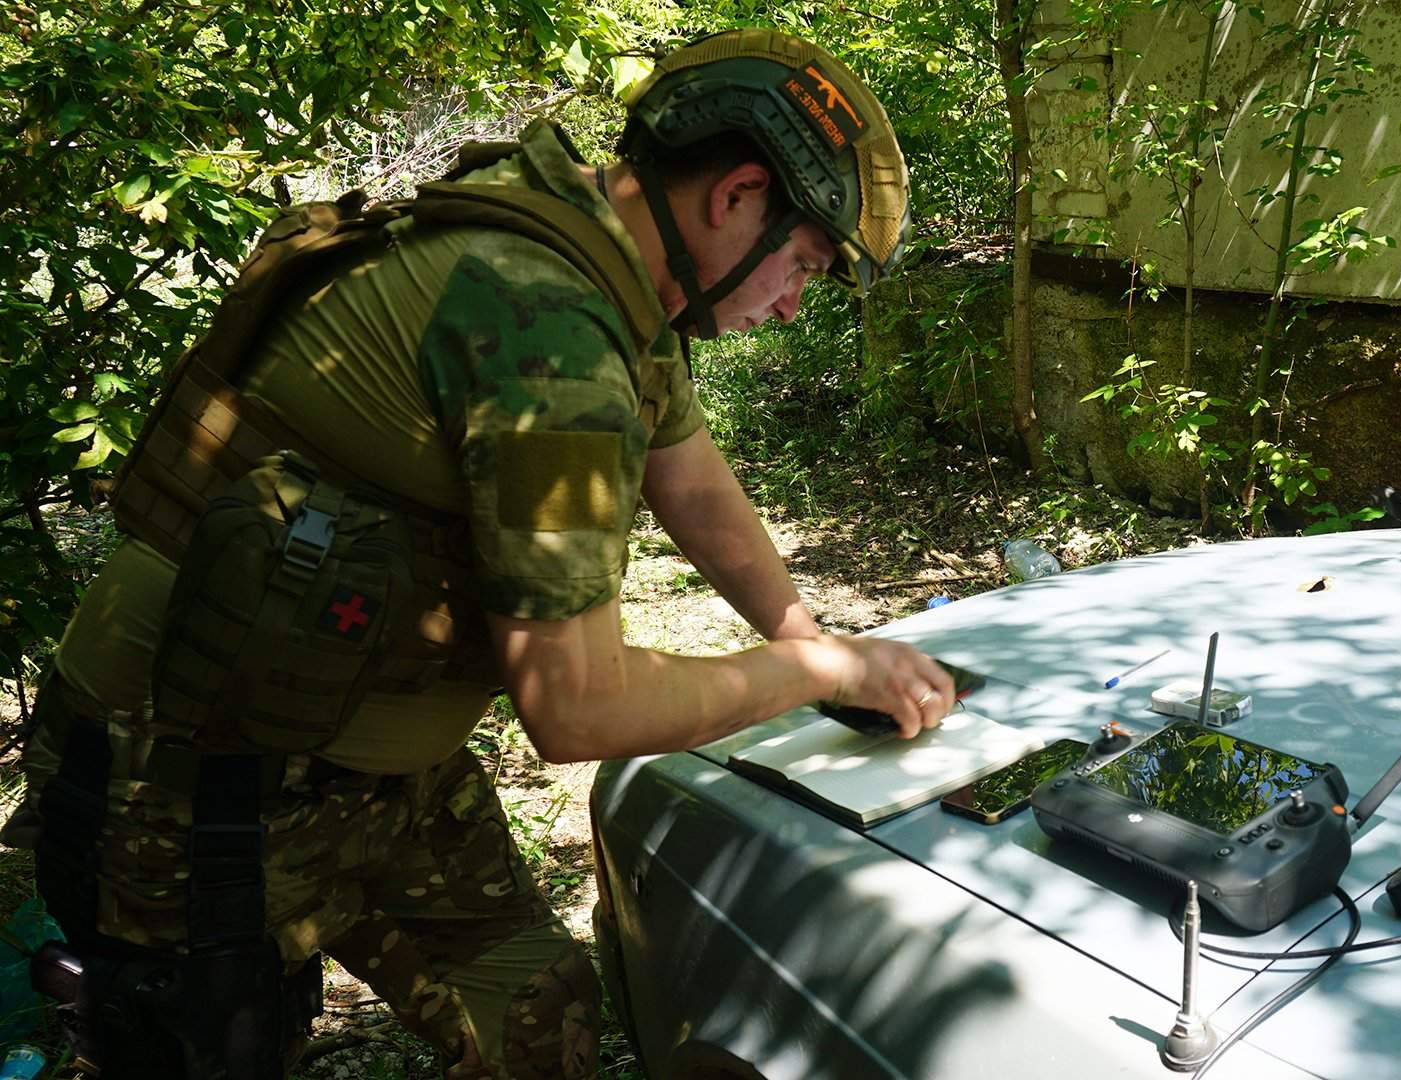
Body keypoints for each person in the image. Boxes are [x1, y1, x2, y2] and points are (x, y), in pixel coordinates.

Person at [1, 26, 950, 1080]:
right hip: (184, 781)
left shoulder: (596, 261)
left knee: (535, 1010)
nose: (793, 302)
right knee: (205, 1046)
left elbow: (684, 471)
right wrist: (816, 674)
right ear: (734, 197)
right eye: (807, 263)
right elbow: (578, 709)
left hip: (374, 767)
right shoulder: (544, 325)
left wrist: (799, 627)